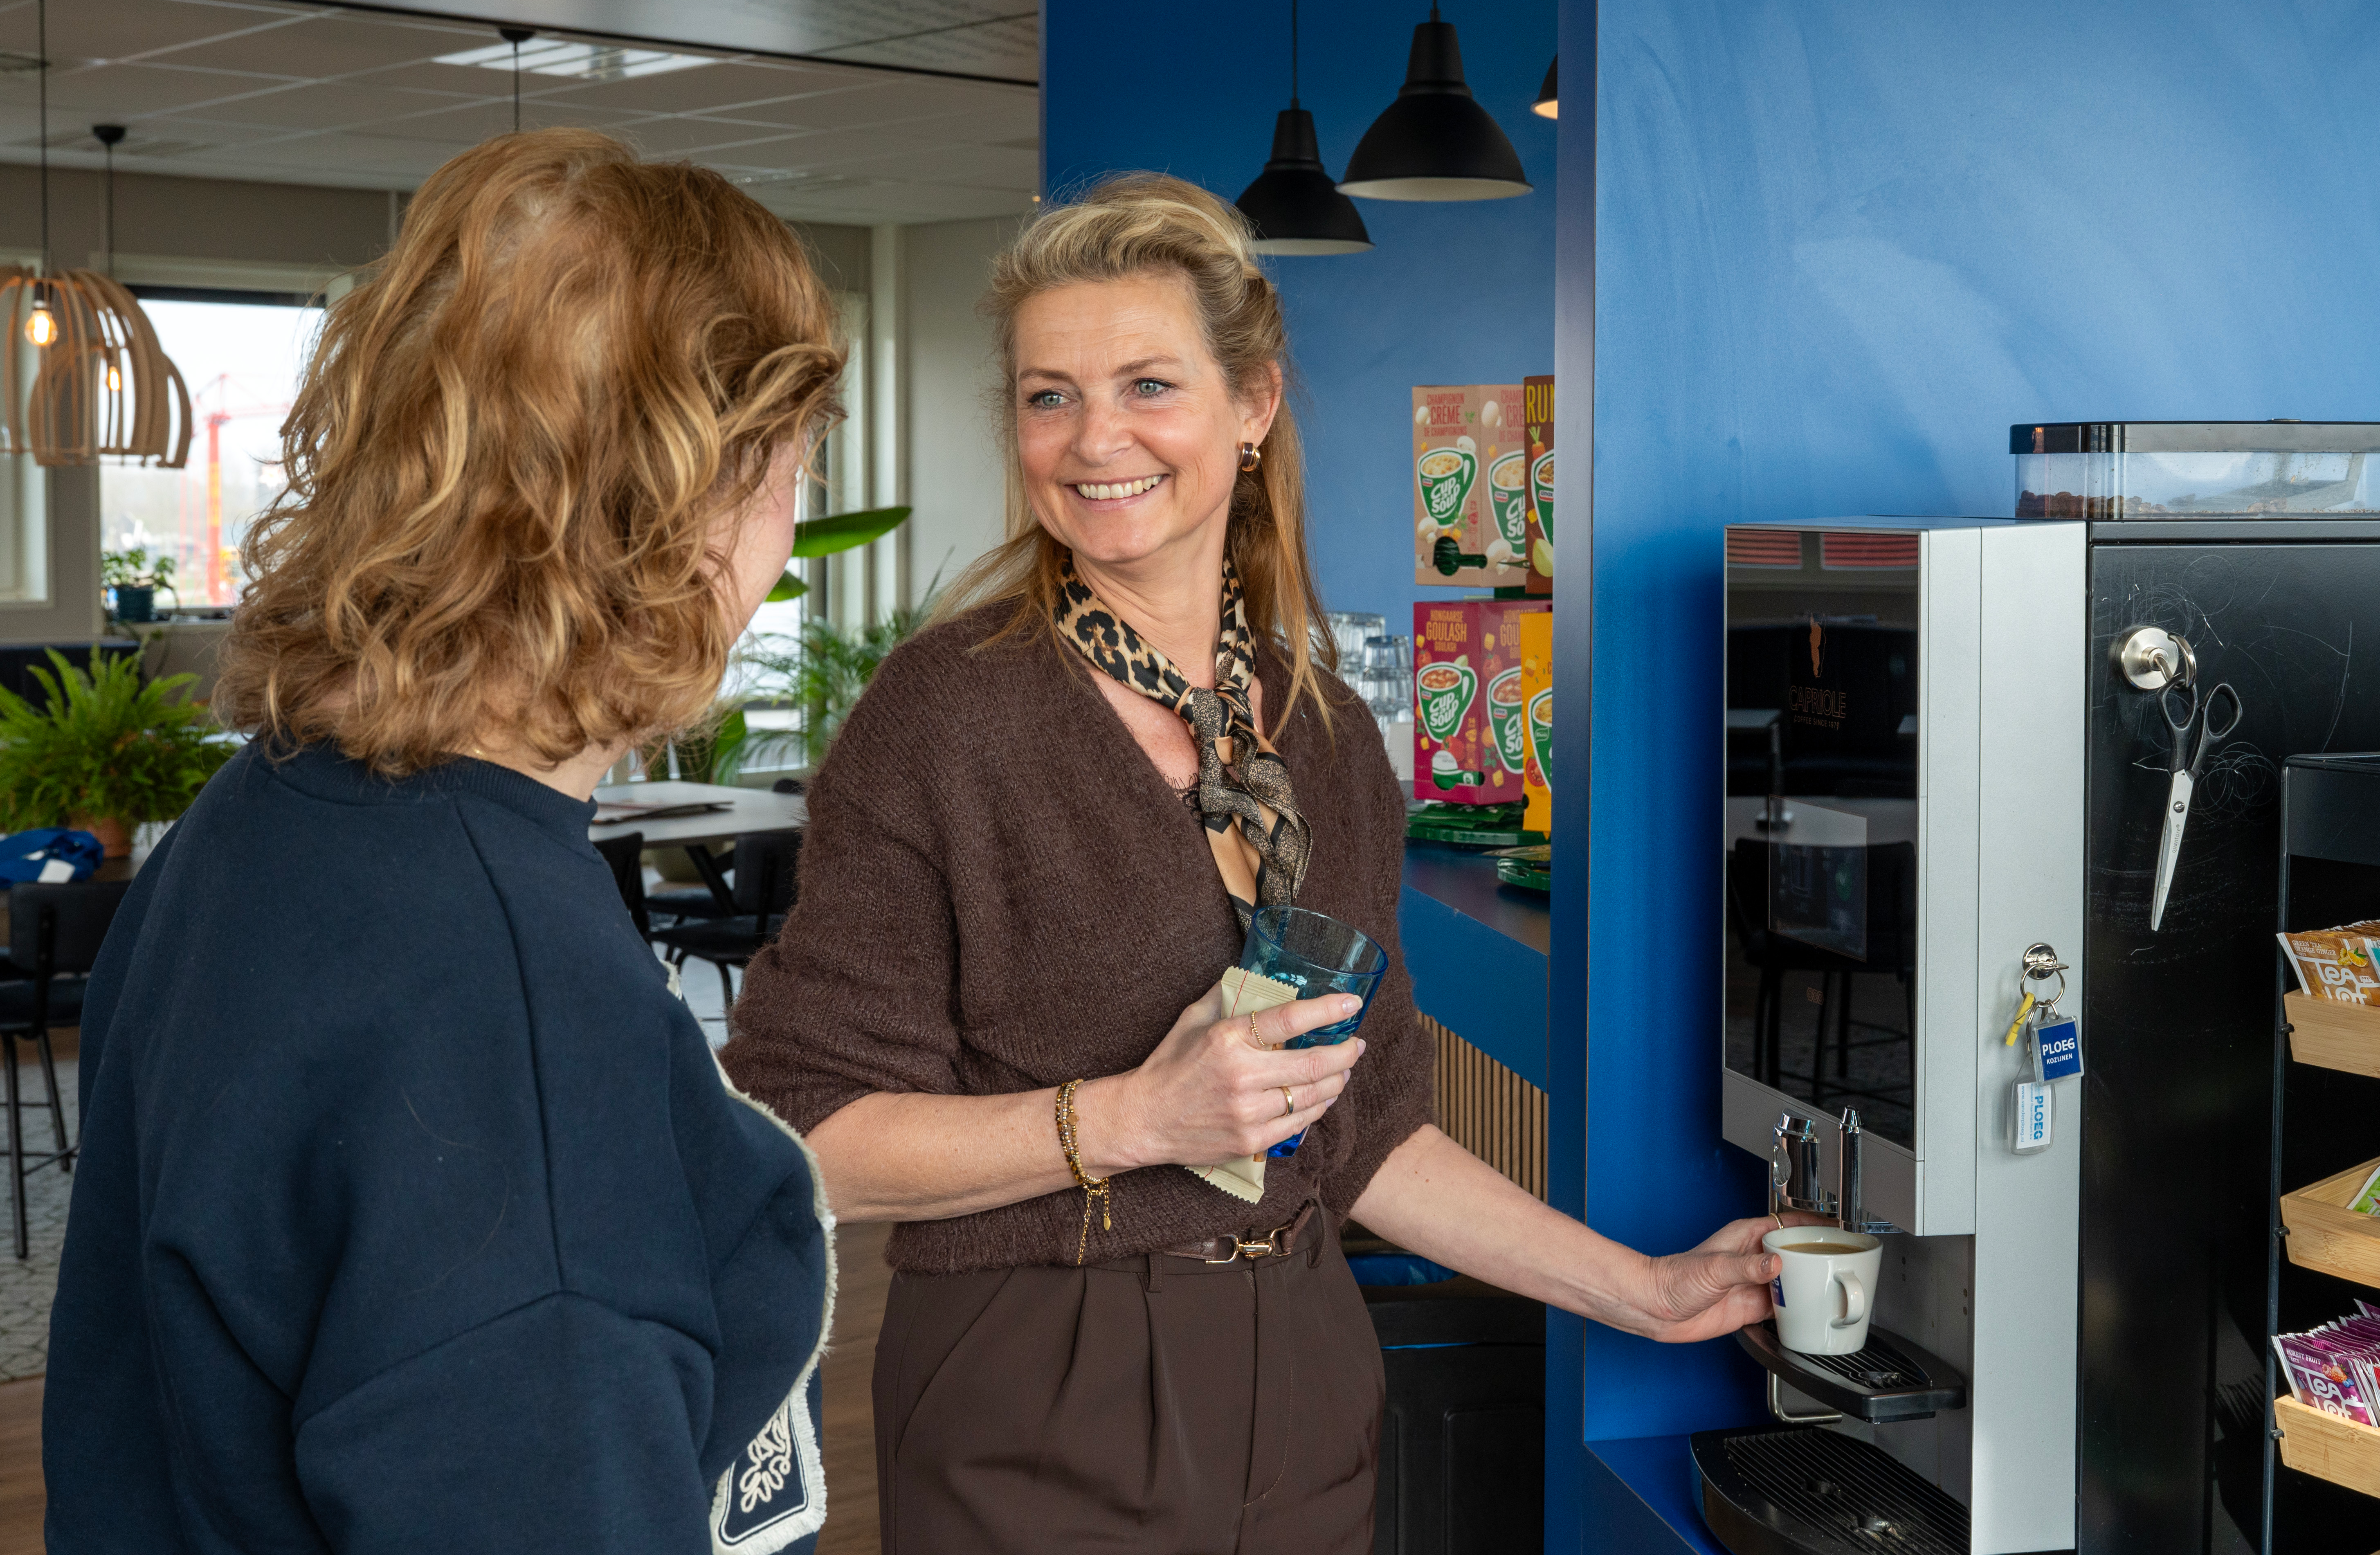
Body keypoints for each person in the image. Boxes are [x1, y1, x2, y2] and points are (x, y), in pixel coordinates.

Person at [719, 174, 1782, 1554]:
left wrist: (1641, 1292)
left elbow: (1366, 1137)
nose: (1095, 439)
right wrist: (1133, 1121)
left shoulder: (1325, 738)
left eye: (1148, 384)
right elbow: (807, 1133)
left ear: (1254, 403)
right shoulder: (944, 718)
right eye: (1049, 396)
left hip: (1304, 1387)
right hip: (1036, 1392)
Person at [45, 129, 842, 1555]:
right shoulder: (509, 1010)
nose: (788, 535)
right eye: (791, 470)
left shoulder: (260, 822)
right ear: (689, 499)